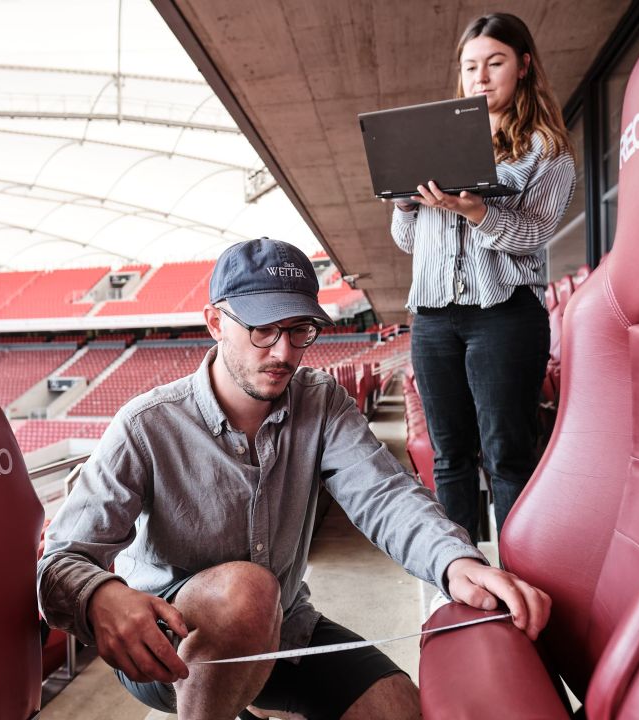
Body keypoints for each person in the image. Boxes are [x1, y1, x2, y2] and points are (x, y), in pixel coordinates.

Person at [37, 237, 551, 720]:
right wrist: (101, 594)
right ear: (215, 322)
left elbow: (383, 492)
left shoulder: (321, 400)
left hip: (284, 625)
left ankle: (258, 691)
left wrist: (454, 560)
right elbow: (59, 561)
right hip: (166, 647)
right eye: (264, 329)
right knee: (248, 592)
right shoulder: (146, 423)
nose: (284, 353)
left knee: (399, 707)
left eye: (300, 330)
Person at [390, 13, 577, 542]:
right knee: (449, 457)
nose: (481, 76)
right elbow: (408, 243)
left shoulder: (546, 151)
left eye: (495, 62)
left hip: (504, 318)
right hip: (432, 320)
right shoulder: (431, 148)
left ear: (523, 66)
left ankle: (521, 570)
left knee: (507, 456)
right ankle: (462, 574)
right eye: (471, 66)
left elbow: (532, 235)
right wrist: (407, 204)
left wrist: (475, 211)